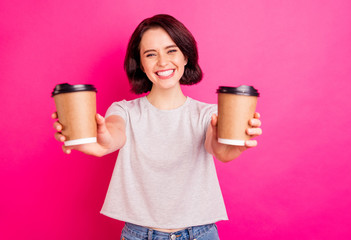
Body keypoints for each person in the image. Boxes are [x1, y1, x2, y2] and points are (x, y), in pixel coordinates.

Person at [52, 14, 262, 240]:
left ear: (185, 56)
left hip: (201, 234)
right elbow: (113, 135)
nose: (162, 62)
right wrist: (98, 139)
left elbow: (217, 145)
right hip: (138, 235)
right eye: (151, 54)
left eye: (171, 51)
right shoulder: (125, 112)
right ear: (141, 64)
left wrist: (231, 147)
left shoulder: (207, 114)